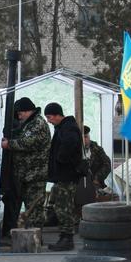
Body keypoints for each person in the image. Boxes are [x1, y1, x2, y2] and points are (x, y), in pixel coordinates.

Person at [0, 97, 50, 230]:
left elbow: (27, 143)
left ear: (28, 111)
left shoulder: (38, 124)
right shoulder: (30, 123)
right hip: (28, 174)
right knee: (30, 207)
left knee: (34, 209)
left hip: (35, 174)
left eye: (20, 113)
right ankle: (30, 236)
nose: (19, 116)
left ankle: (35, 238)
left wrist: (8, 144)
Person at [43, 103, 82, 251]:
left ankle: (67, 238)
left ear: (58, 114)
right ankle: (64, 236)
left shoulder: (68, 128)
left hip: (67, 175)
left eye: (50, 117)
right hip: (63, 175)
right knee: (59, 205)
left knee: (63, 207)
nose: (48, 120)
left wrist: (60, 159)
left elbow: (69, 145)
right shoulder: (63, 128)